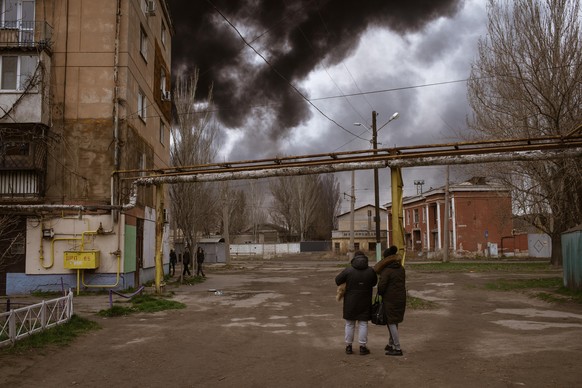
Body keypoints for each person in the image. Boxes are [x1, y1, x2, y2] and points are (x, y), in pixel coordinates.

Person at [335, 250, 377, 355]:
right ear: (365, 259)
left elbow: (337, 280)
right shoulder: (370, 271)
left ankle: (348, 346)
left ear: (354, 259)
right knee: (363, 324)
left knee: (349, 324)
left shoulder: (349, 270)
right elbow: (374, 282)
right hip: (365, 300)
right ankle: (362, 347)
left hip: (350, 301)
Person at [374, 245, 406, 356]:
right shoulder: (401, 269)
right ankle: (391, 343)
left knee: (391, 322)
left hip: (390, 299)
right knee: (394, 321)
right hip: (401, 298)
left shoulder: (386, 271)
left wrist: (381, 293)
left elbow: (381, 287)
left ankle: (397, 348)